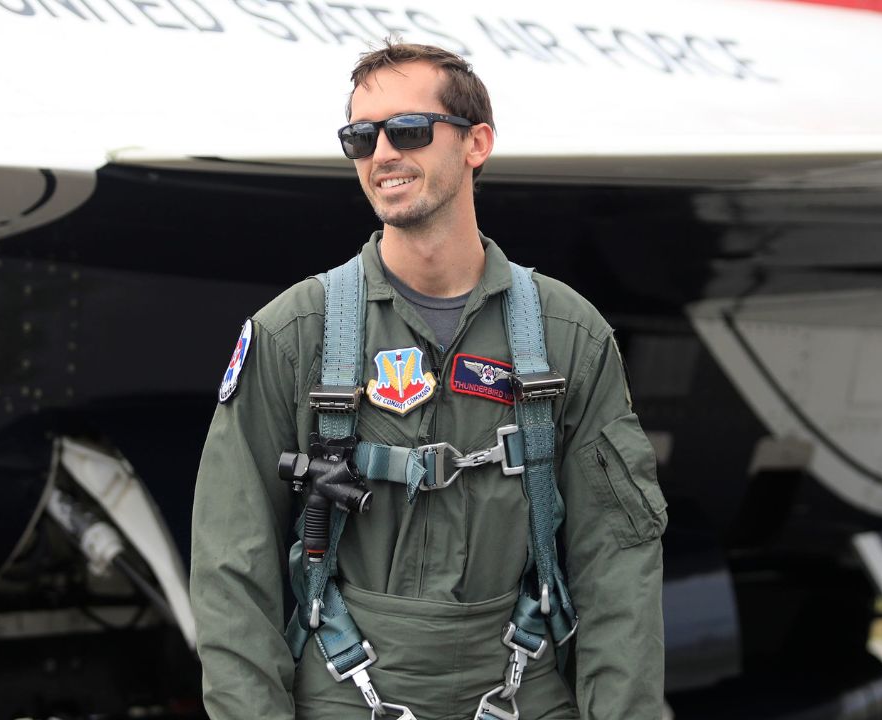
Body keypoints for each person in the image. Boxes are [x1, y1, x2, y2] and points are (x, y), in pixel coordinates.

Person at [190, 42, 667, 720]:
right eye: (361, 136)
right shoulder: (297, 334)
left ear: (477, 143)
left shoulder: (566, 335)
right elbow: (230, 565)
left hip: (520, 683)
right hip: (345, 688)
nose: (381, 152)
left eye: (408, 130)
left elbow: (617, 561)